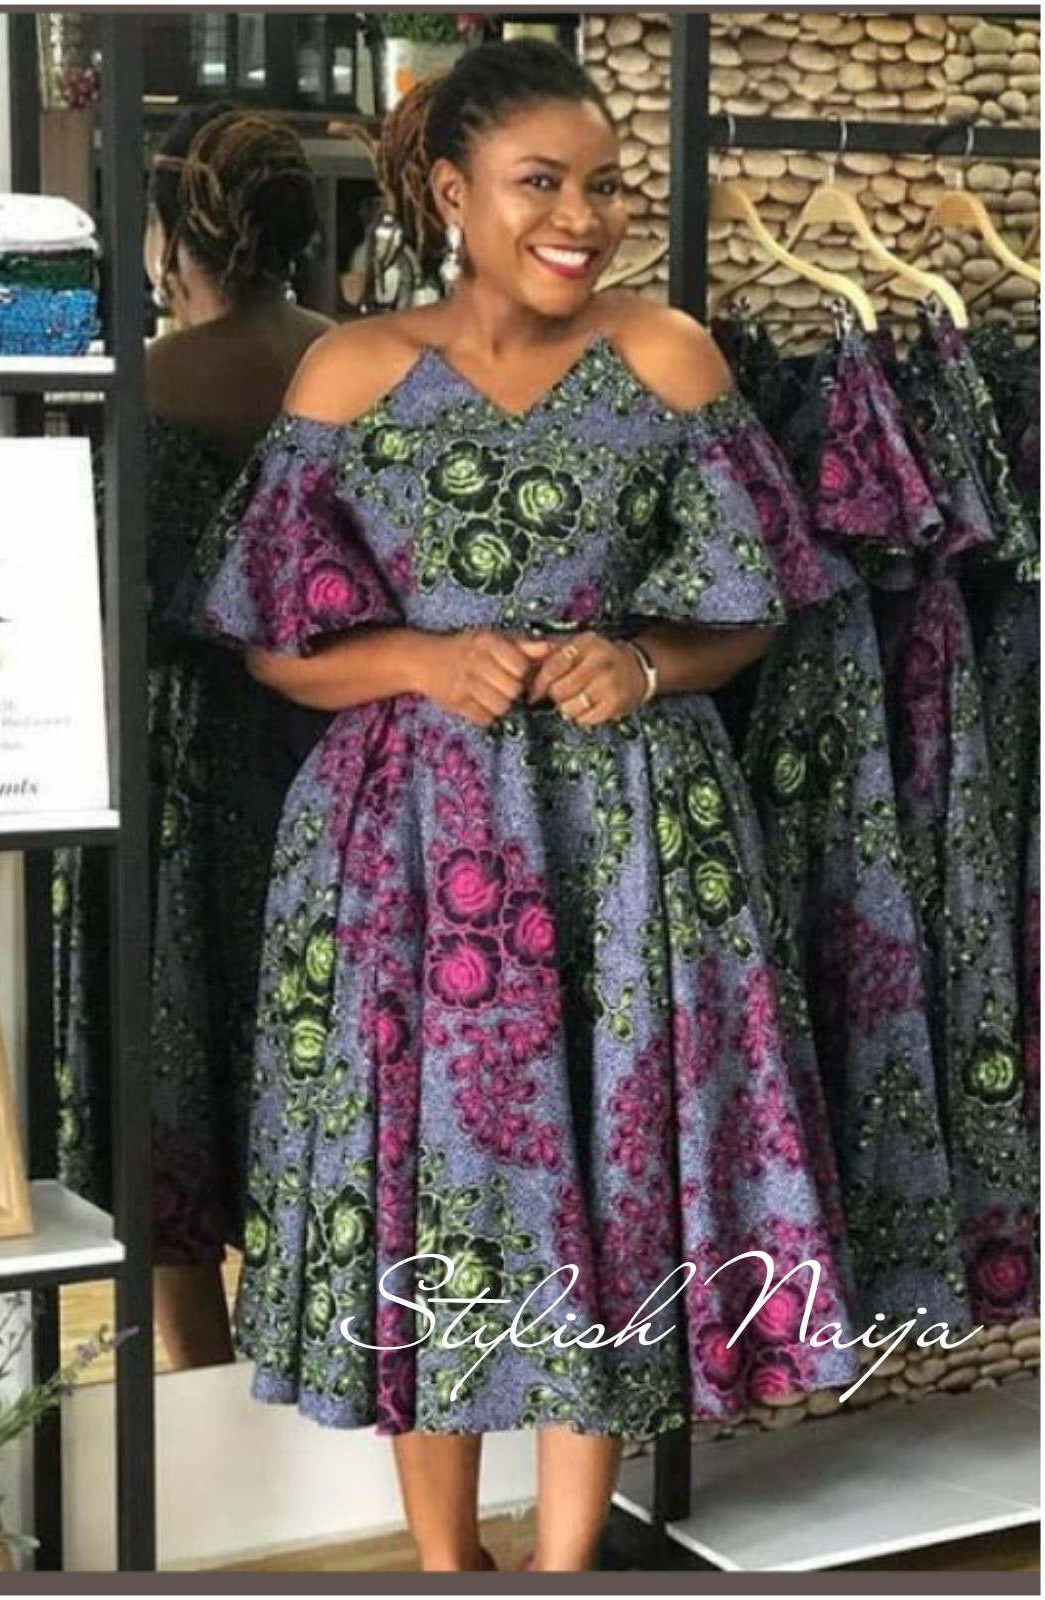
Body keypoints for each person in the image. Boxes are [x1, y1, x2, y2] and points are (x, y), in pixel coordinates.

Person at [201, 42, 858, 1571]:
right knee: (427, 1198)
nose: (582, 217)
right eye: (540, 183)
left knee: (609, 1191)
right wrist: (420, 659)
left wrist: (643, 661)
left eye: (604, 185)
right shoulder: (348, 373)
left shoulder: (670, 358)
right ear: (450, 192)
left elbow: (751, 608)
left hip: (623, 843)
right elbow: (272, 643)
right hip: (404, 851)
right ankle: (447, 1565)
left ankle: (560, 1570)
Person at [53, 105, 332, 1369]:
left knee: (171, 1074)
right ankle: (319, 1374)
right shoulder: (355, 364)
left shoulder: (143, 382)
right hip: (328, 749)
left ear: (172, 238)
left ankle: (204, 1381)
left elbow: (89, 592)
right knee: (311, 1072)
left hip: (173, 763)